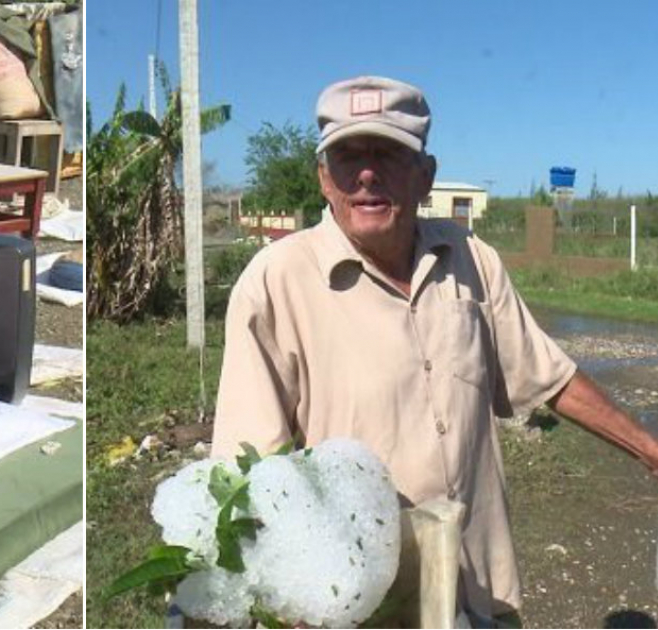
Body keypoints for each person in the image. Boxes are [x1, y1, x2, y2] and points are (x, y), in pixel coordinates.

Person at [211, 75, 658, 625]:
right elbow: (250, 470)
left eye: (389, 153)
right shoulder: (276, 282)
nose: (367, 173)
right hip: (366, 606)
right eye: (347, 156)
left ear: (426, 176)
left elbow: (548, 377)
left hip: (479, 591)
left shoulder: (471, 257)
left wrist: (648, 448)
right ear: (324, 178)